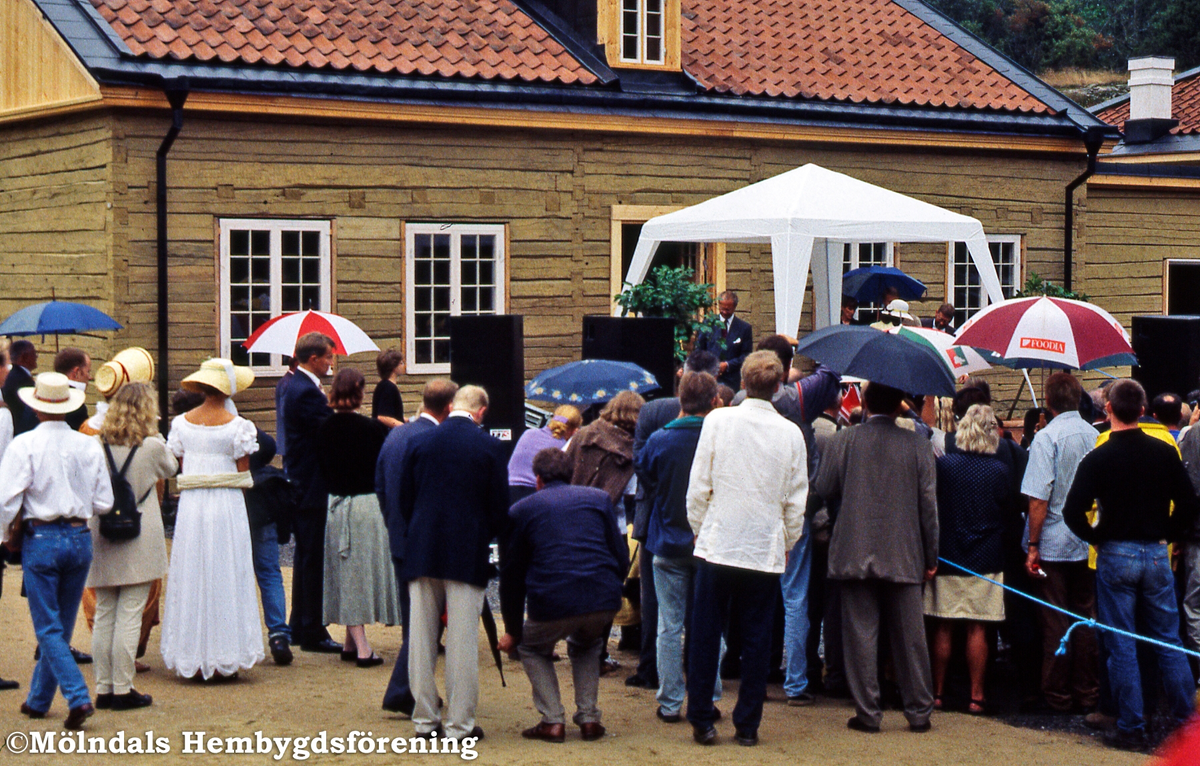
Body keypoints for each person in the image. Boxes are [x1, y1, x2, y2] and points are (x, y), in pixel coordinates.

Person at [1063, 379, 1200, 751]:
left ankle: (1131, 724)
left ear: (1108, 410)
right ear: (1143, 410)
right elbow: (1189, 504)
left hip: (1116, 552)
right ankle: (1187, 725)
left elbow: (1072, 510)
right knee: (1168, 640)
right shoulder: (1163, 451)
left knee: (1121, 641)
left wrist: (1096, 535)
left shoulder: (1099, 456)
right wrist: (1168, 533)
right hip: (1155, 551)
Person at [685, 351, 807, 746]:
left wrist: (702, 529)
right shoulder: (790, 433)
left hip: (720, 541)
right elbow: (795, 501)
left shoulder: (719, 421)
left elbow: (698, 486)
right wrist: (785, 541)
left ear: (742, 382)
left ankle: (702, 717)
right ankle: (747, 724)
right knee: (757, 640)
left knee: (705, 634)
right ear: (777, 387)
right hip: (761, 547)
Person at [814, 381, 938, 734]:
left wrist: (823, 527)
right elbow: (929, 508)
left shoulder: (845, 440)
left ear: (865, 402)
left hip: (854, 548)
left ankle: (868, 712)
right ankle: (919, 711)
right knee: (911, 638)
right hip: (904, 552)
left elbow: (822, 488)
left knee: (860, 635)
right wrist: (932, 553)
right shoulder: (918, 444)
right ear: (899, 404)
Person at [0, 372, 112, 729]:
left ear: (35, 409)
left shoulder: (24, 444)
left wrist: (6, 534)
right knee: (60, 625)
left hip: (42, 536)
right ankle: (37, 700)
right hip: (79, 536)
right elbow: (104, 502)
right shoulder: (87, 445)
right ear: (67, 408)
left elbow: (7, 500)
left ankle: (78, 697)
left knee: (48, 627)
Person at [399, 384, 508, 743]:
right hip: (466, 550)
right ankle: (460, 726)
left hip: (422, 547)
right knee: (462, 644)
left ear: (451, 407)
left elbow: (404, 500)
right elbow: (498, 511)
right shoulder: (490, 448)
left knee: (421, 640)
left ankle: (425, 721)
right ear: (480, 411)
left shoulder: (418, 441)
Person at [499, 448, 629, 743]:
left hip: (552, 599)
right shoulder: (599, 500)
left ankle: (552, 720)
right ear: (571, 474)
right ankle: (589, 718)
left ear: (538, 480)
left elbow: (511, 576)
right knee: (588, 644)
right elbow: (620, 555)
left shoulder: (522, 510)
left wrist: (513, 631)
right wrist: (608, 587)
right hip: (603, 596)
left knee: (532, 649)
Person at [161, 359, 263, 679]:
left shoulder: (180, 425)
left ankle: (195, 653)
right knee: (226, 571)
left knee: (192, 571)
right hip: (226, 505)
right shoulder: (240, 426)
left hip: (193, 504)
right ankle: (222, 655)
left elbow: (180, 464)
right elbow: (242, 472)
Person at [625, 349, 720, 690]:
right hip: (704, 524)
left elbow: (639, 462)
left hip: (657, 515)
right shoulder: (720, 415)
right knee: (701, 608)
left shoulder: (652, 411)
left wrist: (661, 488)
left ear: (682, 374)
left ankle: (652, 671)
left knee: (658, 606)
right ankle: (697, 675)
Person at [88, 382, 177, 710]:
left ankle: (103, 686)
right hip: (139, 533)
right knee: (129, 614)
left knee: (105, 612)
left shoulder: (96, 444)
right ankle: (123, 688)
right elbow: (172, 468)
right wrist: (159, 434)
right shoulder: (152, 445)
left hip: (102, 531)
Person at [377, 378, 458, 716]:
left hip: (399, 535)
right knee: (426, 623)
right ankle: (403, 689)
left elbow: (381, 484)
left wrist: (394, 524)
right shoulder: (432, 439)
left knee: (417, 621)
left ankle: (410, 687)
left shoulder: (397, 433)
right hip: (423, 541)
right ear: (450, 408)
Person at [1022, 372, 1100, 714]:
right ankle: (1088, 690)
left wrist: (1033, 544)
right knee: (1085, 617)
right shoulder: (1096, 435)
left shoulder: (1046, 438)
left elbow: (1038, 498)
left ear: (1049, 402)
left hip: (1053, 538)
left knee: (1055, 619)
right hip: (1088, 540)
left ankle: (1057, 693)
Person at [925, 404, 1010, 715]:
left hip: (949, 553)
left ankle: (937, 693)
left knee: (943, 626)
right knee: (978, 628)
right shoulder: (1000, 470)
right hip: (986, 557)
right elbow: (1006, 510)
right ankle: (976, 695)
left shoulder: (944, 466)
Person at [316, 368, 398, 667]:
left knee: (347, 573)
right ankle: (363, 649)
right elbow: (383, 469)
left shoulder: (324, 429)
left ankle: (352, 643)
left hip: (337, 505)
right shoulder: (373, 429)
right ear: (360, 393)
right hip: (368, 505)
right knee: (358, 576)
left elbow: (322, 470)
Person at [280, 332, 341, 654]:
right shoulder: (306, 392)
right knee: (313, 558)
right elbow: (327, 433)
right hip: (311, 483)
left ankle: (300, 625)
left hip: (302, 479)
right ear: (314, 358)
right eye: (329, 358)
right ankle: (313, 629)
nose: (331, 364)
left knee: (306, 557)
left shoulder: (295, 384)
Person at [508, 405, 582, 507]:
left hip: (509, 490)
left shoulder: (528, 433)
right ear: (575, 430)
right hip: (535, 493)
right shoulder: (564, 446)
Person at [693, 290, 753, 390]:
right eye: (722, 309)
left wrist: (728, 365)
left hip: (731, 382)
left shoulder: (744, 328)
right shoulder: (708, 324)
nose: (724, 312)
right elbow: (699, 350)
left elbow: (746, 355)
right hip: (709, 379)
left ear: (734, 307)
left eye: (728, 309)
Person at [2, 339, 39, 435]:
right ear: (24, 357)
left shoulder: (15, 375)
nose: (36, 357)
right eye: (34, 354)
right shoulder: (22, 380)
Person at [54, 348, 91, 431]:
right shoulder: (76, 404)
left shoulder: (49, 394)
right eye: (88, 371)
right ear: (76, 372)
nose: (89, 377)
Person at [372, 349, 405, 428]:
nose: (404, 365)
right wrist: (405, 429)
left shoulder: (384, 385)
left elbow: (393, 415)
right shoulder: (388, 388)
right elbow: (383, 417)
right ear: (393, 367)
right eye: (401, 363)